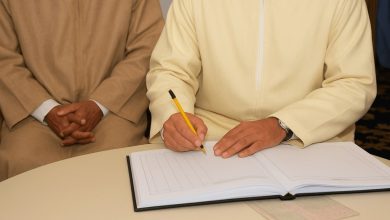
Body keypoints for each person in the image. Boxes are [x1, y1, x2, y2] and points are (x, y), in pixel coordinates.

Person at [146, 0, 377, 158]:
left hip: (309, 140)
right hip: (209, 143)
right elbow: (171, 71)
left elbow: (354, 83)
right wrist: (174, 117)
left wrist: (283, 124)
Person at [0, 0, 164, 181]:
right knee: (20, 161)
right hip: (31, 114)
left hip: (114, 110)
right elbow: (5, 59)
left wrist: (99, 105)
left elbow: (147, 49)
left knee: (122, 166)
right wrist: (46, 110)